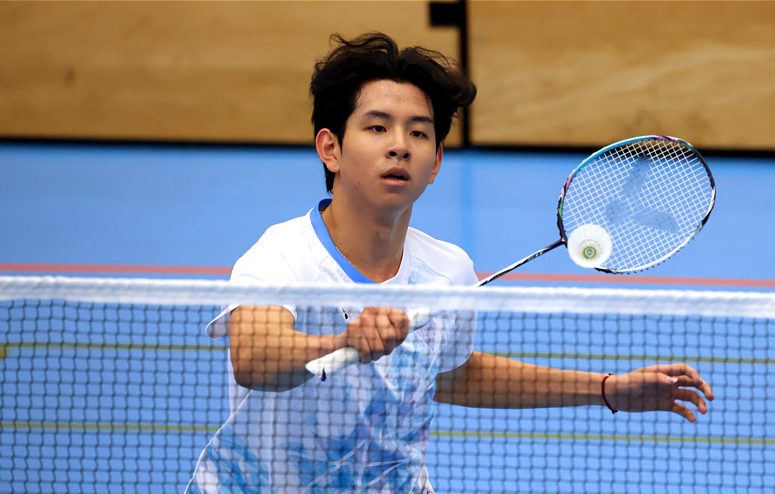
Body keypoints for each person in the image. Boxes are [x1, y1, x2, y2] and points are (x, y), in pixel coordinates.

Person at [187, 32, 714, 493]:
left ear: (436, 161)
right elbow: (254, 358)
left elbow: (450, 375)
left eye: (418, 133)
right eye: (377, 128)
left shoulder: (448, 271)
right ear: (330, 148)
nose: (400, 147)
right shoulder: (282, 255)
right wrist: (342, 342)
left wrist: (604, 389)